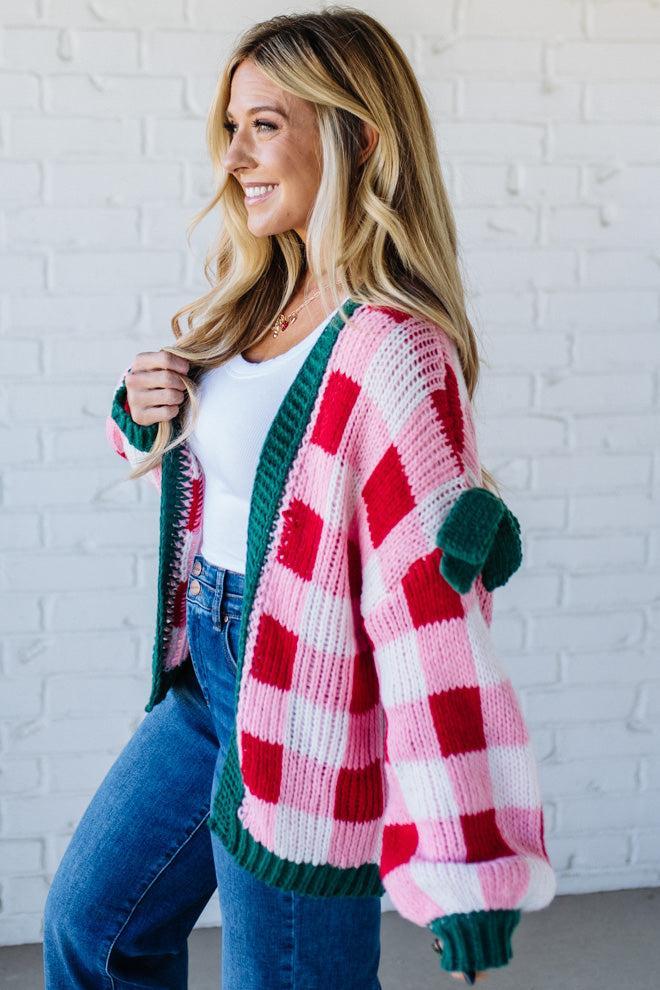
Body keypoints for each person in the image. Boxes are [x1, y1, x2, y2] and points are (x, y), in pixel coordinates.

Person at [43, 7, 556, 988]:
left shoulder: (395, 349)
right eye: (231, 126)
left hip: (308, 706)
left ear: (357, 135)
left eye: (264, 124)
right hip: (210, 670)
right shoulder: (254, 304)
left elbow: (432, 618)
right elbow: (225, 473)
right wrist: (144, 413)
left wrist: (466, 868)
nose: (233, 155)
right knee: (93, 930)